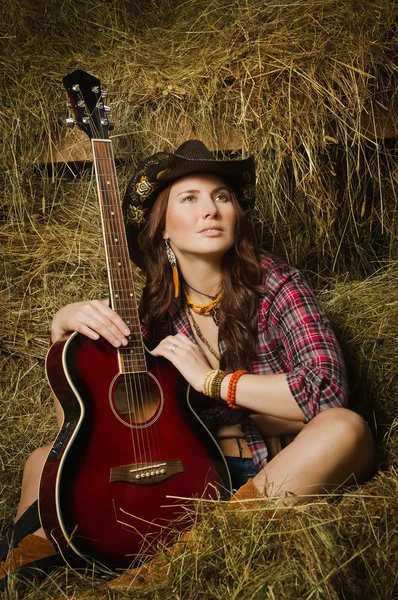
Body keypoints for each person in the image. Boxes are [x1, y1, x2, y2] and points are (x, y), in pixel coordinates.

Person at [0, 140, 375, 586]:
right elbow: (85, 425)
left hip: (279, 470)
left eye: (221, 197)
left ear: (236, 213)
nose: (211, 210)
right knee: (42, 460)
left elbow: (325, 393)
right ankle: (21, 570)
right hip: (193, 474)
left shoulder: (278, 285)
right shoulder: (158, 314)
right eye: (190, 199)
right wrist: (61, 331)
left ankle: (174, 563)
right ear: (163, 229)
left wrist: (213, 381)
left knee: (345, 427)